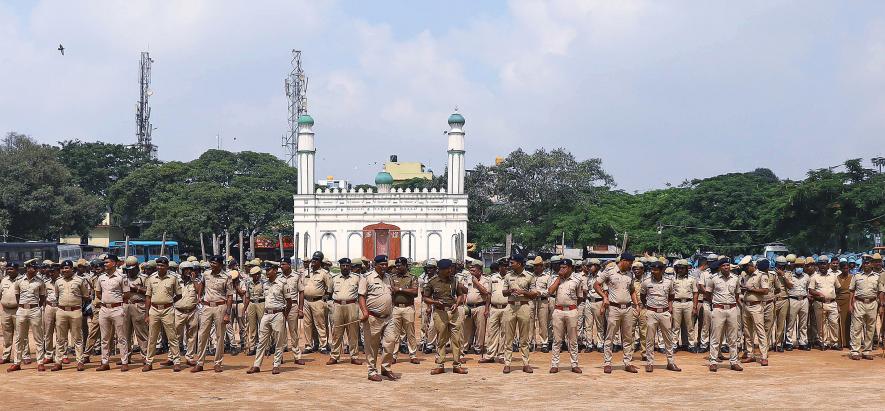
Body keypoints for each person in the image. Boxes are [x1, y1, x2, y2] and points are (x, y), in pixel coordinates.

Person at [595, 253, 641, 374]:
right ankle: (607, 363)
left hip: (627, 308)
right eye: (630, 263)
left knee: (627, 337)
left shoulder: (630, 274)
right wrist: (604, 297)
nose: (631, 266)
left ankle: (627, 362)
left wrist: (636, 304)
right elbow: (596, 284)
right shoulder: (609, 271)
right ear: (624, 261)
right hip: (613, 308)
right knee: (610, 336)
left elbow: (632, 290)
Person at [247, 261, 293, 374]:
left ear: (275, 270)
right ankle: (257, 365)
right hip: (266, 313)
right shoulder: (265, 284)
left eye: (269, 270)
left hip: (278, 313)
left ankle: (276, 364)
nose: (266, 272)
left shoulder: (283, 283)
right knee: (262, 340)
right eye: (266, 270)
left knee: (278, 341)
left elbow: (289, 302)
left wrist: (284, 315)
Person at [424, 258, 468, 375]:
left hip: (454, 313)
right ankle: (440, 365)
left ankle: (457, 365)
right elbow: (425, 297)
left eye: (451, 268)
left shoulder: (455, 281)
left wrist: (457, 303)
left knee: (456, 339)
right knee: (441, 339)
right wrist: (435, 303)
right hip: (440, 313)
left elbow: (460, 295)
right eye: (447, 269)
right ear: (440, 270)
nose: (450, 270)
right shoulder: (432, 282)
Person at [359, 255, 398, 381]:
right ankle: (371, 371)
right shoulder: (367, 278)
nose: (384, 267)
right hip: (372, 317)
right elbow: (361, 297)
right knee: (372, 346)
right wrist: (365, 312)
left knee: (390, 341)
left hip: (388, 317)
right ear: (375, 265)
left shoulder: (388, 278)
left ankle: (386, 368)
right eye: (381, 264)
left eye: (385, 264)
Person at [193, 255, 233, 373]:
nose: (212, 265)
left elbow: (230, 296)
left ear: (220, 264)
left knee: (220, 336)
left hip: (220, 306)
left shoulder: (226, 277)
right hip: (206, 306)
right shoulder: (206, 274)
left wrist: (227, 313)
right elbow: (202, 284)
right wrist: (199, 296)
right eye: (211, 263)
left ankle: (217, 363)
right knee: (202, 335)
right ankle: (199, 363)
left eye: (214, 263)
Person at [141, 257, 182, 372]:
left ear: (167, 266)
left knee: (172, 337)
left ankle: (176, 361)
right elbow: (148, 297)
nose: (160, 267)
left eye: (162, 265)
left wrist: (170, 301)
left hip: (168, 310)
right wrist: (146, 314)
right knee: (152, 337)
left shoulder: (173, 278)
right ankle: (149, 362)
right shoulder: (151, 278)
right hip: (154, 309)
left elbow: (179, 294)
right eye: (158, 265)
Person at [7, 260, 47, 372]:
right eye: (33, 267)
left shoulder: (40, 281)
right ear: (27, 268)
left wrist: (36, 307)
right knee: (19, 337)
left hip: (34, 310)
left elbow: (43, 297)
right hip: (21, 310)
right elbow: (17, 295)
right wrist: (23, 306)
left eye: (36, 268)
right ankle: (17, 363)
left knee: (38, 337)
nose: (35, 269)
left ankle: (40, 362)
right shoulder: (19, 281)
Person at [640, 261, 680, 372]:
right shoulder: (646, 282)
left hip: (664, 312)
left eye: (656, 269)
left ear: (662, 270)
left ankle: (670, 362)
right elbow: (642, 296)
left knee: (668, 338)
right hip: (651, 312)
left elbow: (671, 296)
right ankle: (649, 363)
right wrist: (648, 307)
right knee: (650, 339)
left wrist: (669, 307)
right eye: (652, 269)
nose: (653, 271)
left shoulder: (668, 282)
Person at [93, 255, 130, 371]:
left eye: (107, 262)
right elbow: (98, 293)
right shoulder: (101, 278)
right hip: (104, 309)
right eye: (104, 262)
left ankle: (124, 361)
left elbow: (127, 294)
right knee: (104, 338)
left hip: (117, 309)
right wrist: (106, 301)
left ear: (114, 263)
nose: (104, 264)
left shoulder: (121, 277)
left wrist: (116, 302)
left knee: (121, 337)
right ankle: (105, 362)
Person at [52, 260, 89, 371]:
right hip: (61, 311)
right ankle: (58, 362)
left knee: (77, 338)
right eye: (63, 268)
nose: (65, 270)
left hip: (76, 311)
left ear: (72, 269)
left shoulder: (80, 280)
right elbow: (57, 296)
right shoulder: (58, 282)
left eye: (67, 268)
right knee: (60, 339)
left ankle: (80, 361)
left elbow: (85, 296)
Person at [547, 258, 583, 373]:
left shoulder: (577, 279)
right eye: (561, 267)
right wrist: (559, 278)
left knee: (572, 340)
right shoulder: (555, 279)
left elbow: (580, 296)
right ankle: (555, 364)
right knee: (557, 340)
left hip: (572, 310)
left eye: (564, 267)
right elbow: (550, 291)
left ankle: (574, 364)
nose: (562, 269)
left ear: (571, 268)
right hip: (558, 311)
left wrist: (572, 307)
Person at [705, 260, 742, 372]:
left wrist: (731, 304)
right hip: (718, 309)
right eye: (723, 265)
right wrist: (716, 303)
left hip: (732, 309)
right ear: (720, 267)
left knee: (732, 337)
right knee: (715, 336)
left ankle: (734, 362)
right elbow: (708, 293)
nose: (726, 267)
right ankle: (713, 361)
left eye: (727, 265)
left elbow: (736, 294)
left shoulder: (735, 278)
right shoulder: (713, 278)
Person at [328, 258, 362, 365]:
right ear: (340, 266)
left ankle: (354, 356)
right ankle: (334, 356)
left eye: (347, 265)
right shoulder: (334, 278)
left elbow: (361, 293)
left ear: (350, 267)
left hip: (352, 305)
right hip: (337, 305)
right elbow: (329, 292)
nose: (345, 267)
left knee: (353, 332)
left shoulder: (357, 278)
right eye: (343, 265)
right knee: (336, 332)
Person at [300, 251, 332, 354]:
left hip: (318, 301)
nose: (313, 261)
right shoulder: (306, 273)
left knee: (320, 324)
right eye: (313, 259)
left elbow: (329, 289)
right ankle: (309, 345)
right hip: (306, 301)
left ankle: (323, 346)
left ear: (320, 262)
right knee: (307, 325)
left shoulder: (324, 273)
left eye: (316, 259)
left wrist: (323, 299)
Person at [389, 257, 420, 364]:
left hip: (408, 307)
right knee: (395, 333)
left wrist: (400, 290)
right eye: (396, 266)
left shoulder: (412, 277)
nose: (397, 267)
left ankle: (413, 355)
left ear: (405, 266)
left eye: (400, 265)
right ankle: (394, 355)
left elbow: (415, 292)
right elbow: (391, 291)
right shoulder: (392, 277)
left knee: (410, 332)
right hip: (396, 307)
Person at [848, 256, 880, 360]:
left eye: (868, 263)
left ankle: (867, 351)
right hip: (859, 303)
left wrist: (881, 306)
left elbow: (880, 292)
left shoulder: (877, 276)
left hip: (872, 303)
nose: (866, 265)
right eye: (865, 263)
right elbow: (852, 291)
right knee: (856, 327)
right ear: (862, 264)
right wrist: (850, 304)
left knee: (870, 328)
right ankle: (855, 351)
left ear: (871, 264)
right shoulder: (856, 276)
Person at [739, 257, 770, 366]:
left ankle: (764, 356)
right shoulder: (746, 276)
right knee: (748, 332)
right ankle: (750, 354)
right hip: (746, 306)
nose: (745, 270)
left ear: (751, 266)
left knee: (760, 332)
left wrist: (752, 290)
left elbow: (765, 291)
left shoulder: (762, 275)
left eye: (746, 268)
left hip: (756, 306)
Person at [478, 262, 509, 365]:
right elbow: (489, 294)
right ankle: (490, 355)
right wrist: (487, 309)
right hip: (494, 308)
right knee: (491, 332)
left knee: (505, 332)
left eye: (506, 266)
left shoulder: (510, 277)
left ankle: (502, 355)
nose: (504, 268)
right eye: (502, 266)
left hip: (506, 308)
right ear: (499, 267)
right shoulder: (492, 278)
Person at [808, 257, 840, 351]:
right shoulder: (814, 277)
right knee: (821, 325)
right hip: (820, 303)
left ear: (828, 265)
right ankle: (824, 342)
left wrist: (836, 300)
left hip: (832, 303)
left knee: (834, 323)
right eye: (821, 264)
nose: (823, 266)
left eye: (824, 264)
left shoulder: (833, 276)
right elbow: (811, 290)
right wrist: (818, 294)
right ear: (818, 265)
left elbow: (838, 288)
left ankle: (834, 342)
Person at [122, 256, 148, 365]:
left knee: (142, 333)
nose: (130, 272)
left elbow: (149, 292)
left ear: (137, 268)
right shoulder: (123, 278)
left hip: (139, 306)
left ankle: (145, 356)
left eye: (132, 269)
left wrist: (137, 288)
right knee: (125, 333)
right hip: (126, 305)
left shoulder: (143, 278)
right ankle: (126, 357)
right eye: (128, 269)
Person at [461, 259, 490, 356]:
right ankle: (465, 347)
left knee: (480, 329)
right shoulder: (467, 278)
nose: (471, 272)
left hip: (480, 306)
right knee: (466, 328)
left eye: (474, 270)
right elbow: (465, 291)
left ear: (480, 271)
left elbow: (486, 292)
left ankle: (478, 347)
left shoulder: (485, 280)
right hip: (468, 307)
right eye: (471, 270)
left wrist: (476, 283)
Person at [174, 262, 199, 366]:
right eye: (186, 269)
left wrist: (193, 280)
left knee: (192, 336)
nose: (189, 271)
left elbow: (199, 291)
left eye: (190, 269)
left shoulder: (195, 281)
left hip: (192, 311)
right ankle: (173, 357)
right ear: (181, 270)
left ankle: (189, 357)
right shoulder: (176, 281)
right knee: (175, 335)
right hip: (179, 311)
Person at [671, 259, 698, 353]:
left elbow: (695, 293)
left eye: (682, 268)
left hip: (688, 303)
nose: (680, 270)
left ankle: (691, 345)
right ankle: (674, 344)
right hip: (676, 303)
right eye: (679, 268)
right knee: (675, 326)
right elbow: (670, 294)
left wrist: (695, 307)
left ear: (686, 269)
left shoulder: (692, 279)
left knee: (690, 326)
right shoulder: (673, 279)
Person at [786, 257, 812, 351]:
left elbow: (808, 288)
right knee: (791, 322)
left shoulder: (806, 276)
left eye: (801, 266)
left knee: (803, 323)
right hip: (793, 299)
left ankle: (803, 342)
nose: (799, 268)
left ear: (803, 267)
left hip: (804, 300)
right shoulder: (790, 275)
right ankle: (789, 342)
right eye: (797, 266)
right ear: (794, 266)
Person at [581, 259, 605, 353]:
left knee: (600, 325)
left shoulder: (602, 277)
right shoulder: (589, 276)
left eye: (591, 266)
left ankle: (600, 344)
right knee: (588, 325)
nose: (589, 267)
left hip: (599, 301)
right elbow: (586, 289)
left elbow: (605, 291)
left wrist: (603, 305)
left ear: (597, 266)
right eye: (588, 266)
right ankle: (589, 344)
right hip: (589, 301)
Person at [530, 257, 552, 353]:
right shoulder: (530, 276)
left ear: (542, 266)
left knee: (543, 322)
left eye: (538, 266)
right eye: (534, 266)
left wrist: (540, 293)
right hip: (531, 300)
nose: (536, 268)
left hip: (542, 300)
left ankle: (544, 343)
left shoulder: (547, 277)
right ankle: (531, 342)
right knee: (530, 322)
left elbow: (550, 290)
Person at [1, 261, 20, 365]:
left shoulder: (21, 280)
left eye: (11, 269)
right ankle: (6, 356)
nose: (9, 270)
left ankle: (22, 357)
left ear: (17, 270)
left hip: (18, 310)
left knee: (20, 334)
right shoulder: (4, 281)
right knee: (6, 334)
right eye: (8, 269)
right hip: (5, 311)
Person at [244, 266, 265, 357]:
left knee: (263, 327)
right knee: (252, 327)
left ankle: (266, 347)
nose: (253, 277)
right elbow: (247, 296)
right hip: (252, 304)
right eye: (252, 275)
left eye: (255, 275)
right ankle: (252, 347)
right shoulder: (249, 283)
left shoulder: (264, 283)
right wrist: (245, 308)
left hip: (261, 303)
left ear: (258, 274)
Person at [834, 258, 852, 350]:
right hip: (839, 301)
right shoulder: (837, 278)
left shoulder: (852, 278)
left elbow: (853, 291)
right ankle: (840, 342)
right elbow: (835, 292)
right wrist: (836, 304)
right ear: (840, 269)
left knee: (848, 322)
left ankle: (848, 342)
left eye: (847, 268)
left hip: (849, 301)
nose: (845, 270)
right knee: (839, 322)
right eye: (843, 268)